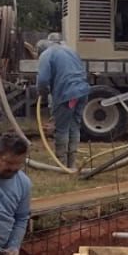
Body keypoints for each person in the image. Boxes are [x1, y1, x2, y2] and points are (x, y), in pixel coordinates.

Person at [36, 32, 92, 169]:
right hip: (82, 91)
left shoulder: (46, 54)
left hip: (66, 93)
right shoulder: (71, 51)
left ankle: (61, 164)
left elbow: (42, 80)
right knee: (74, 126)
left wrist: (42, 94)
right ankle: (72, 163)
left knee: (62, 128)